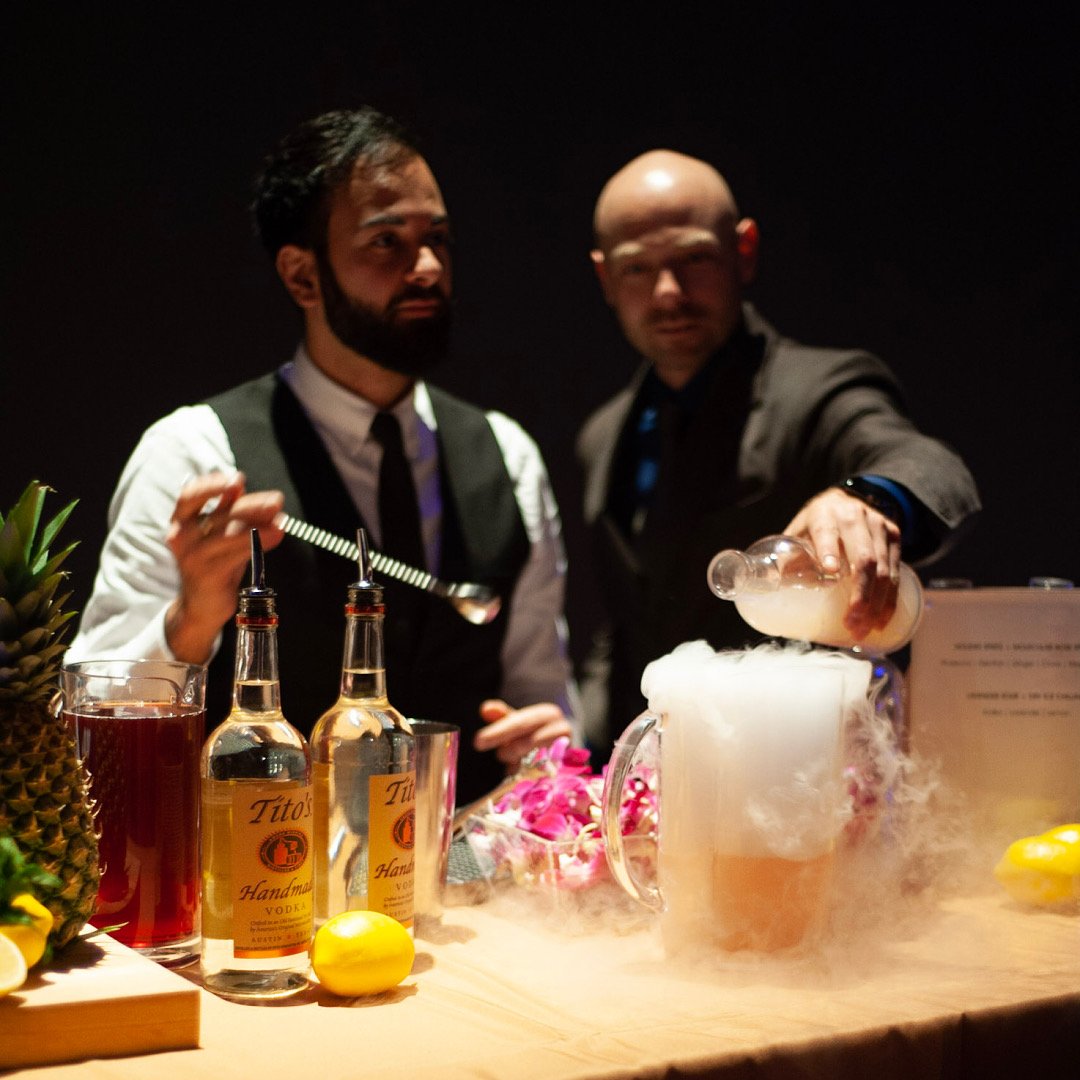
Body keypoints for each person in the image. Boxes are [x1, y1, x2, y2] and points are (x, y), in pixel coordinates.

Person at [67, 107, 578, 804]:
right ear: (302, 276)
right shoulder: (193, 453)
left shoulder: (507, 455)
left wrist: (545, 740)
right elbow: (89, 726)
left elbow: (542, 695)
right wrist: (187, 624)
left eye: (437, 239)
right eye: (386, 243)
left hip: (464, 881)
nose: (426, 267)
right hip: (266, 886)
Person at [577, 149, 981, 756]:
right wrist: (570, 727)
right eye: (638, 268)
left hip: (801, 782)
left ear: (744, 250)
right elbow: (630, 628)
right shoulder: (601, 436)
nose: (668, 292)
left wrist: (866, 499)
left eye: (694, 258)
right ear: (605, 277)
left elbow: (927, 464)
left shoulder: (821, 388)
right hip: (650, 793)